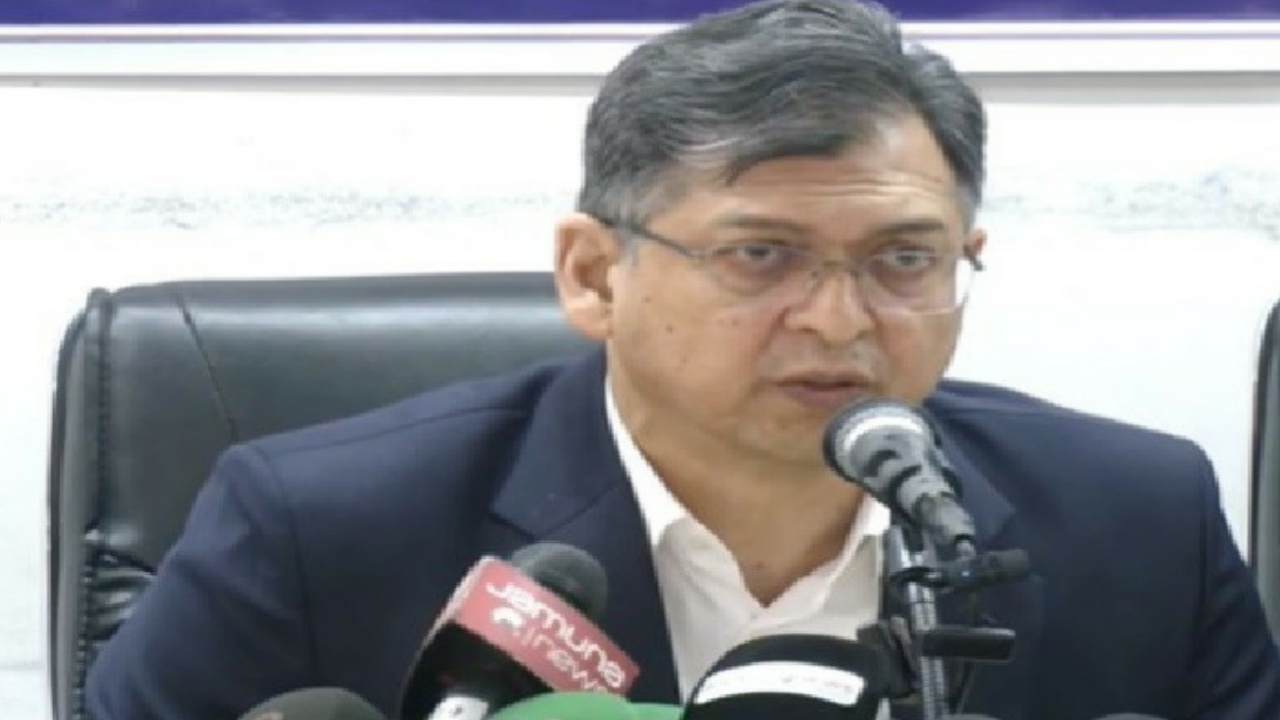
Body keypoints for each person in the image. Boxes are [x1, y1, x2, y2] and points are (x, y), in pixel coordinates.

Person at [84, 1, 1280, 718]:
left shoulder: (1136, 517)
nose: (837, 320)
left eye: (903, 260)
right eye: (761, 256)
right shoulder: (316, 528)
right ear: (593, 276)